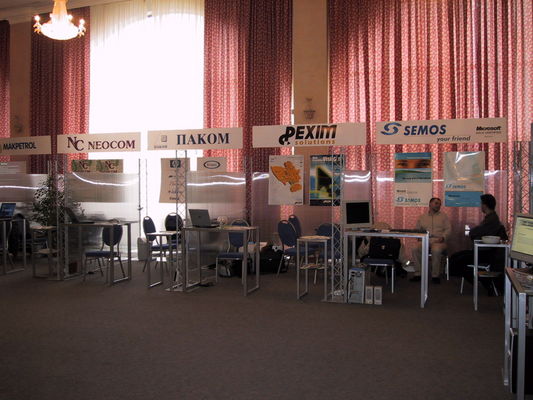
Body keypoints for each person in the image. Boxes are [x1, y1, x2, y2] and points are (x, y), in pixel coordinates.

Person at [449, 194, 508, 295]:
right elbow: (478, 231)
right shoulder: (491, 218)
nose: (480, 206)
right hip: (484, 250)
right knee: (455, 257)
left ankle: (485, 281)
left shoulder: (491, 220)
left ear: (484, 205)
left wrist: (474, 232)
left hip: (487, 253)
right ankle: (483, 281)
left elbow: (475, 232)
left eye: (481, 204)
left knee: (456, 262)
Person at [410, 197, 451, 284]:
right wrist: (419, 236)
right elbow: (417, 229)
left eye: (439, 204)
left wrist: (443, 237)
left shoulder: (444, 216)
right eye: (436, 203)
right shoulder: (422, 217)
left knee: (436, 250)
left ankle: (435, 275)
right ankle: (418, 274)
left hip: (439, 241)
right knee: (415, 248)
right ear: (430, 204)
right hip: (425, 240)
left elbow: (448, 229)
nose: (438, 205)